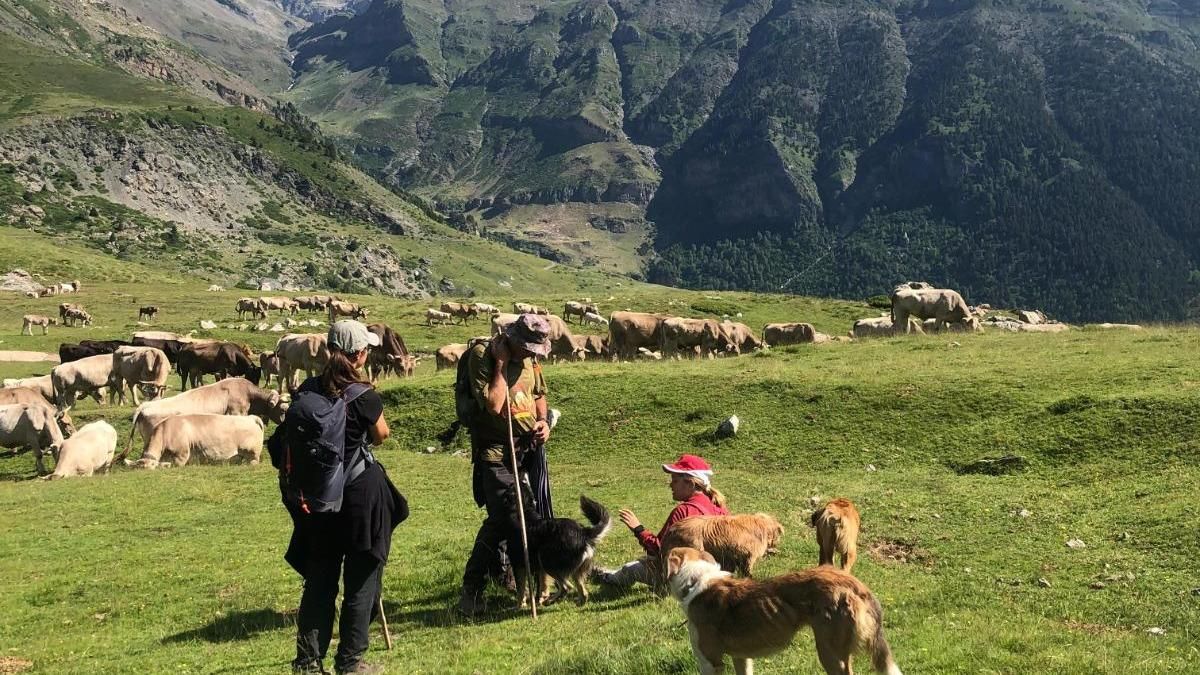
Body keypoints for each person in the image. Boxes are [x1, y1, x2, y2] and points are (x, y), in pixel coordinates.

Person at [271, 320, 408, 675]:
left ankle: (307, 662)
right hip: (361, 496)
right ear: (360, 355)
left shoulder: (307, 390)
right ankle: (350, 663)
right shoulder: (363, 394)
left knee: (320, 581)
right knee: (361, 581)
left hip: (319, 501)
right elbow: (381, 435)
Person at [457, 314, 553, 617]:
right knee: (504, 519)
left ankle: (514, 576)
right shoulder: (483, 355)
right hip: (495, 453)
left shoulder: (531, 360)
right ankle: (471, 592)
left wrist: (543, 422)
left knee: (524, 516)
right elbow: (494, 405)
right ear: (512, 338)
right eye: (527, 348)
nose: (532, 354)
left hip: (525, 450)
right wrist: (499, 364)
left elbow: (539, 394)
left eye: (536, 350)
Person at [595, 454, 729, 589]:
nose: (670, 485)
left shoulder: (684, 511)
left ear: (690, 483)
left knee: (630, 569)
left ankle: (606, 577)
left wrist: (638, 529)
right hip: (714, 574)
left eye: (675, 480)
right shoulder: (718, 506)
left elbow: (659, 550)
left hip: (687, 577)